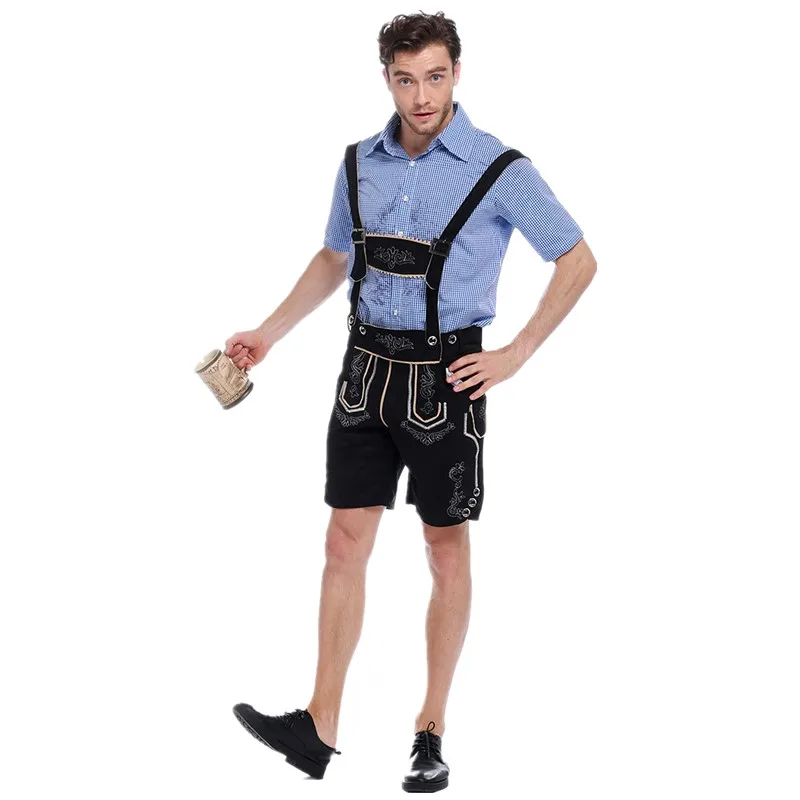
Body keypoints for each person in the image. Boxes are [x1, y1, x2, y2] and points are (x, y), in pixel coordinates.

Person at [225, 10, 596, 793]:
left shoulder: (499, 167)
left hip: (446, 380)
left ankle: (430, 729)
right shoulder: (359, 162)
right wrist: (269, 332)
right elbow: (335, 257)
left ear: (457, 72)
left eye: (435, 76)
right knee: (342, 543)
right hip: (364, 372)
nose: (421, 96)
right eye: (405, 79)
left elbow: (576, 258)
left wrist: (516, 353)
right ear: (386, 79)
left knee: (444, 548)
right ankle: (319, 726)